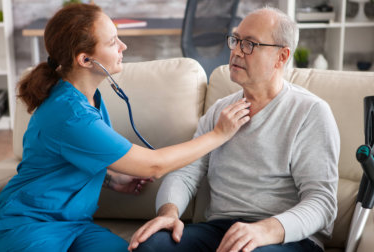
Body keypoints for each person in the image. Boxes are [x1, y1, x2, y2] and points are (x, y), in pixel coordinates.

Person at [0, 4, 251, 252]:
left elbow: (70, 159)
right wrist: (219, 134)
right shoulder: (70, 114)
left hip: (75, 225)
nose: (123, 46)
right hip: (28, 226)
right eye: (112, 42)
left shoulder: (90, 99)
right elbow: (153, 165)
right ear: (85, 60)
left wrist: (112, 180)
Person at [129, 6, 340, 252]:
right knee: (152, 245)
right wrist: (169, 212)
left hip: (287, 237)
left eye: (249, 44)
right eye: (236, 40)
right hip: (222, 230)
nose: (236, 51)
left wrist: (264, 230)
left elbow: (322, 203)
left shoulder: (310, 112)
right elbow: (185, 174)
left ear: (281, 57)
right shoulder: (220, 111)